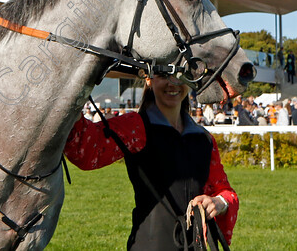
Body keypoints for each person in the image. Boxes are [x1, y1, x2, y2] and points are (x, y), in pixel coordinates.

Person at [64, 75, 238, 249]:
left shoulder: (204, 138)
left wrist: (218, 203)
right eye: (164, 75)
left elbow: (225, 192)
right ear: (148, 78)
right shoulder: (136, 126)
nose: (173, 83)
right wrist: (79, 86)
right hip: (149, 244)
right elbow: (85, 150)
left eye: (181, 75)